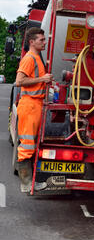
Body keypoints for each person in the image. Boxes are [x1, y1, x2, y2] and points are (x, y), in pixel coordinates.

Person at [15, 27, 53, 193]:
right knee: (27, 145)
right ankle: (26, 184)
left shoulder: (36, 58)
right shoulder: (29, 58)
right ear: (32, 42)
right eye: (41, 40)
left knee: (31, 144)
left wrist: (43, 81)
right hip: (29, 105)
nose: (44, 42)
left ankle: (29, 183)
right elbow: (19, 81)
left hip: (35, 104)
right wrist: (42, 79)